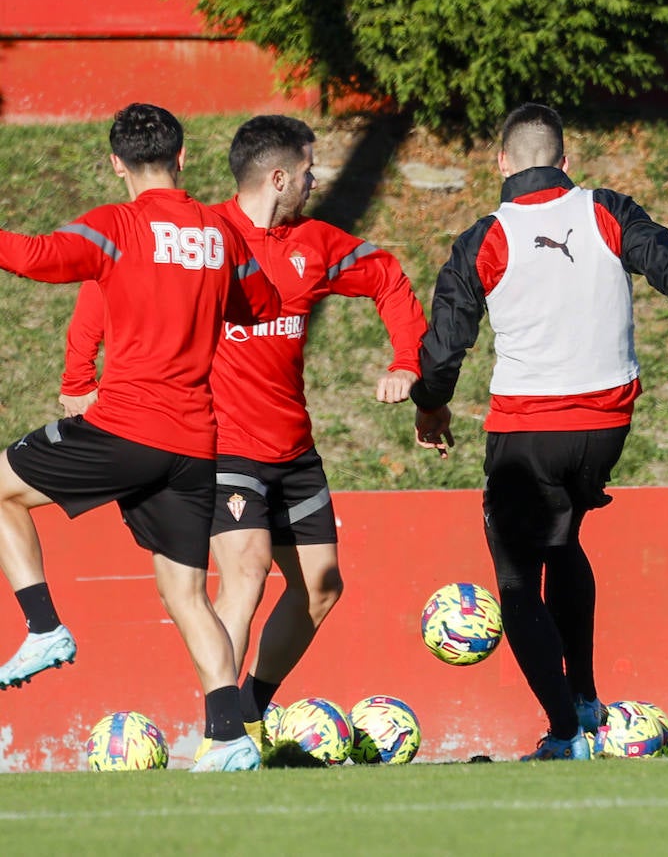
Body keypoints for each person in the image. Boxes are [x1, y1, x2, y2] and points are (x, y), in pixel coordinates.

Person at [410, 103, 668, 761]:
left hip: (530, 429)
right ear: (565, 162)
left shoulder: (488, 235)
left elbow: (446, 344)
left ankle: (566, 734)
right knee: (562, 540)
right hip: (606, 425)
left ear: (501, 163)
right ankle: (586, 696)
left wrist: (431, 404)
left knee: (514, 584)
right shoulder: (606, 211)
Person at [60, 115, 428, 750]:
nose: (315, 182)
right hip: (221, 439)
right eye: (309, 171)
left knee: (320, 587)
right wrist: (77, 376)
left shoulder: (316, 243)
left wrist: (406, 364)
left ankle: (250, 711)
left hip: (295, 448)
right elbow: (103, 287)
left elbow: (389, 277)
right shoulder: (202, 232)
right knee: (247, 573)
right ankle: (220, 736)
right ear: (279, 176)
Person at [0, 103, 280, 771]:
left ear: (116, 164)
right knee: (185, 596)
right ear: (182, 159)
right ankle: (228, 737)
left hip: (127, 426)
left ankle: (43, 628)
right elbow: (261, 305)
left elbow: (37, 258)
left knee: (1, 490)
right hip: (194, 445)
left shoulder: (117, 225)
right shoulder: (220, 231)